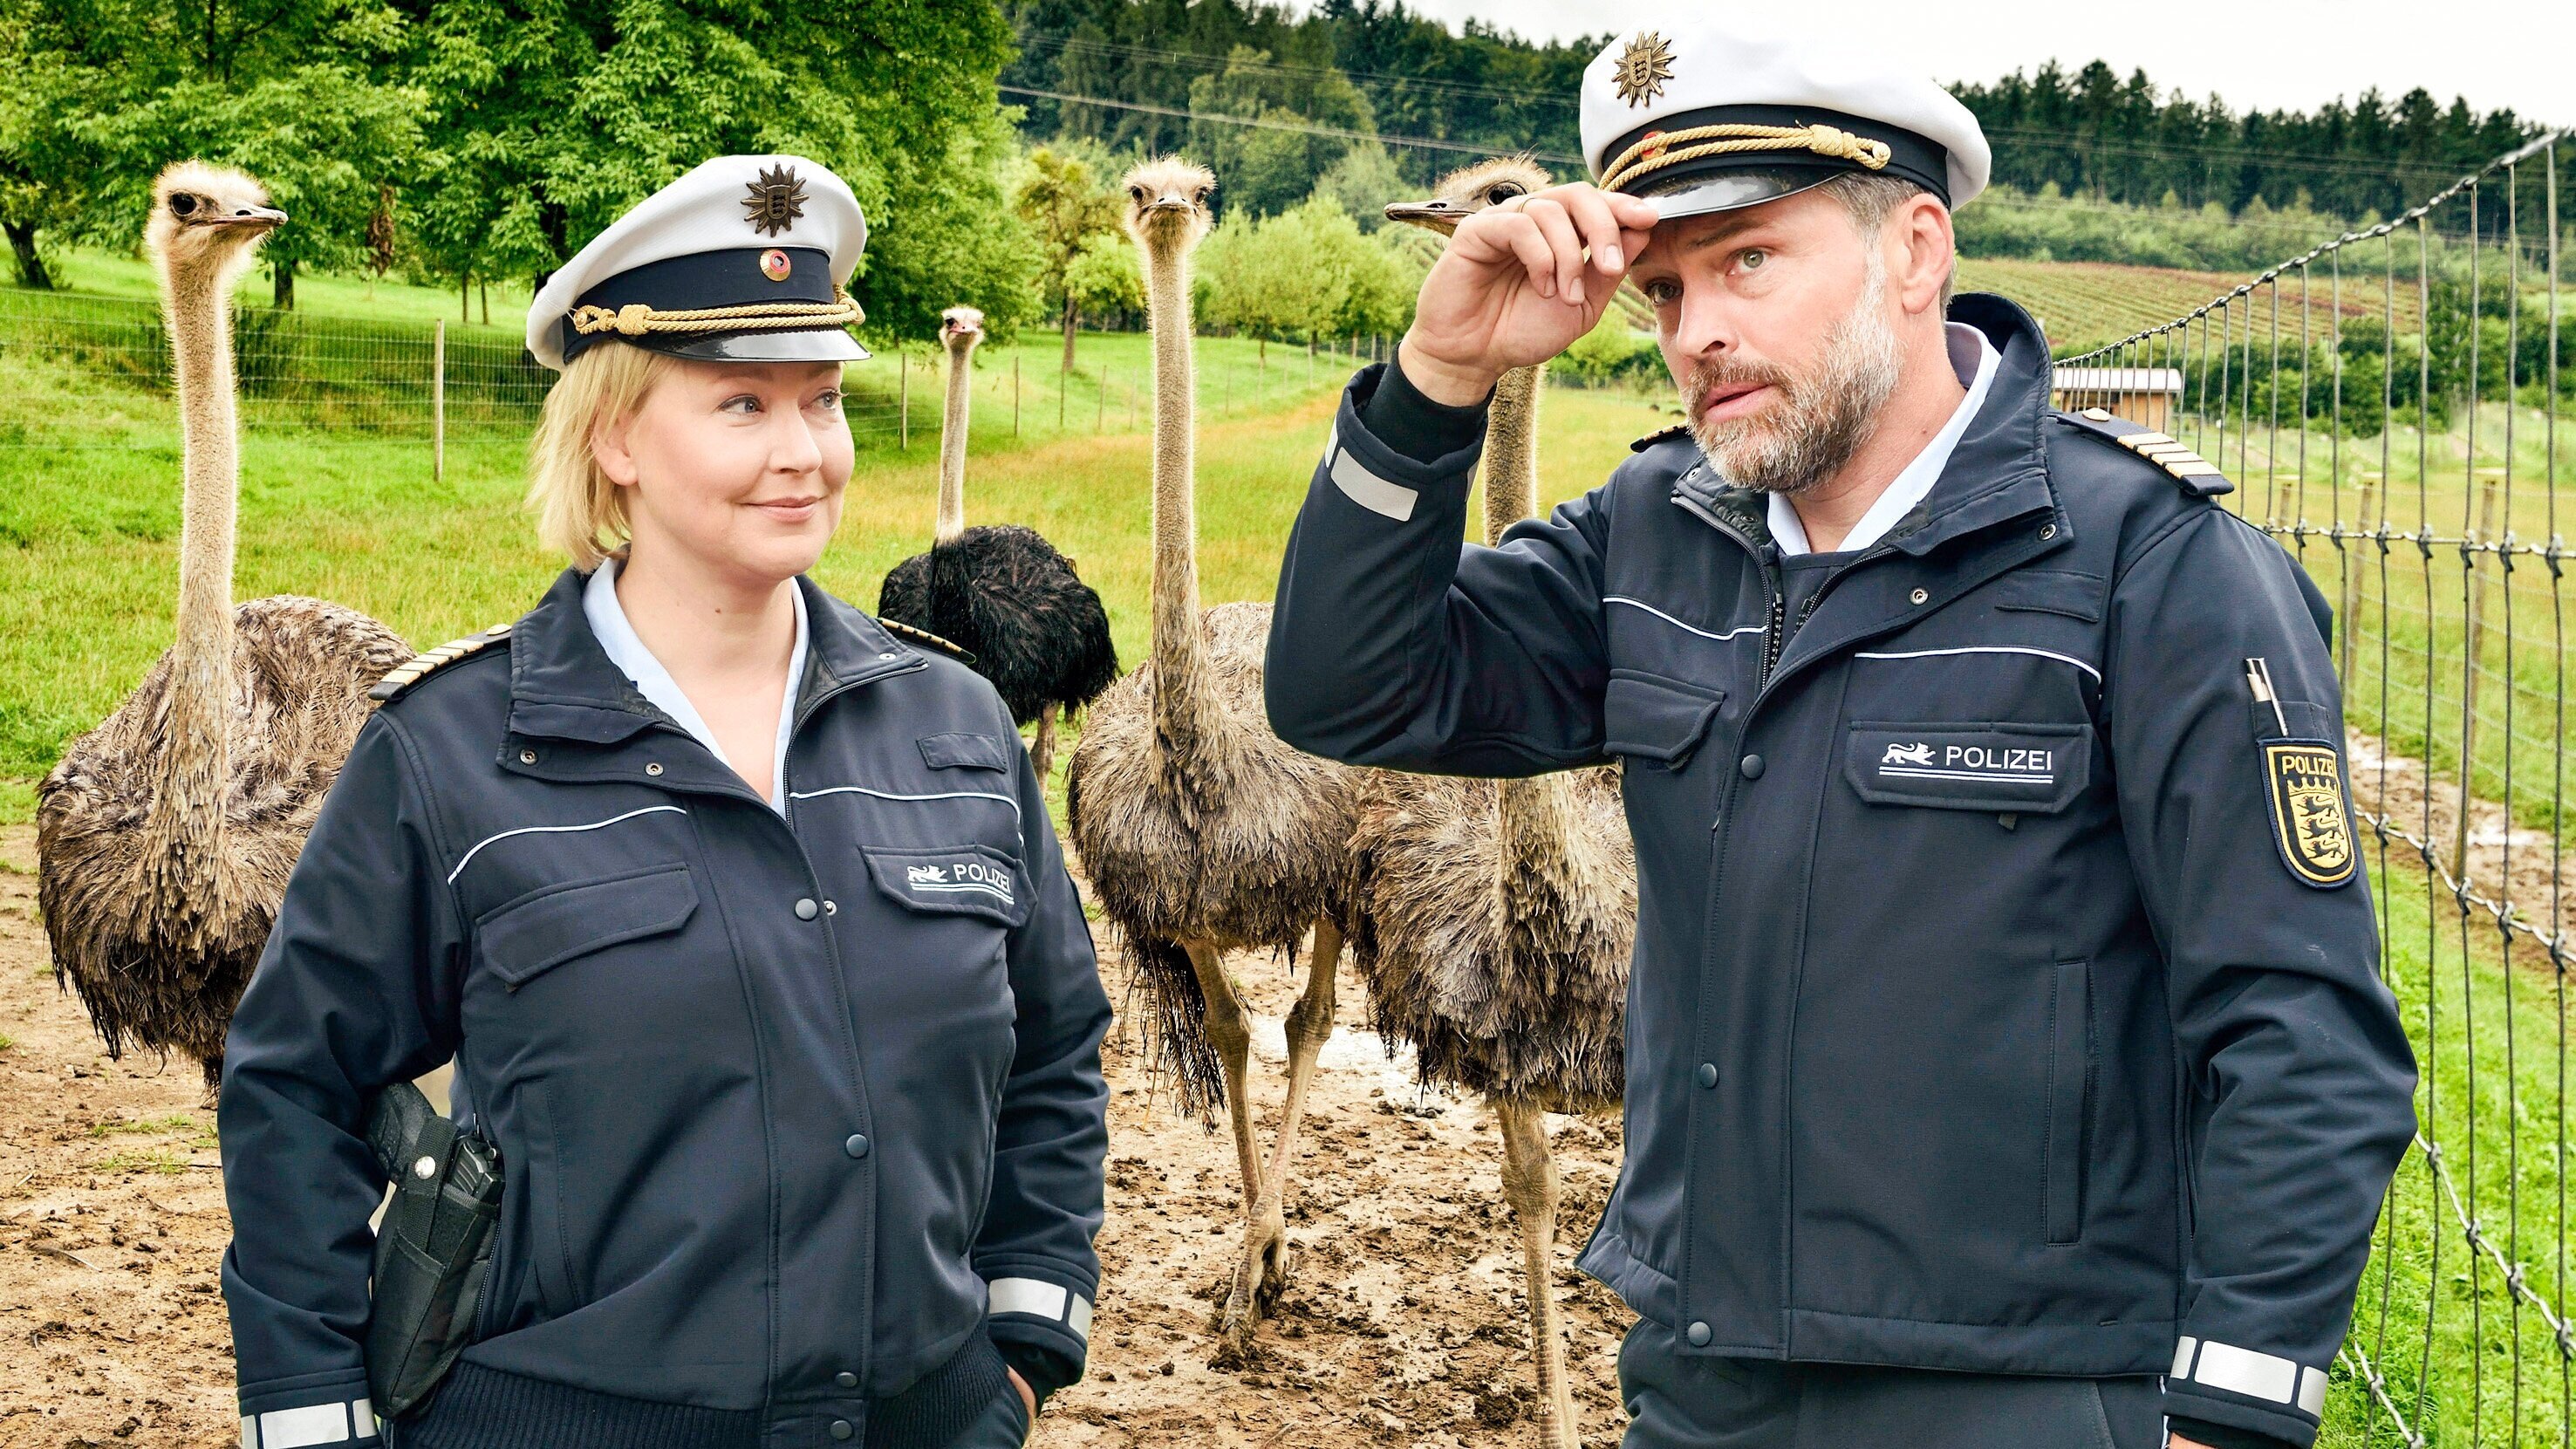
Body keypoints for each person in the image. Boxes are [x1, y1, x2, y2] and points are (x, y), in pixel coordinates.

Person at [1264, 24, 2415, 1449]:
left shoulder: (2149, 564)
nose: (1695, 330)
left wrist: (2232, 1411)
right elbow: (1347, 690)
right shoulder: (1653, 534)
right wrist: (1437, 375)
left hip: (2027, 1396)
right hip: (1708, 1382)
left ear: (1913, 250)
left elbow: (2299, 1028)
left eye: (1747, 258)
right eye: (1665, 286)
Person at [216, 154, 1110, 1449]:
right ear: (615, 436)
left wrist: (1020, 1346)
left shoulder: (953, 727)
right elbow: (296, 1087)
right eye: (742, 403)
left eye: (822, 399)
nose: (803, 452)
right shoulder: (452, 752)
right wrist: (310, 1414)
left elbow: (1055, 1043)